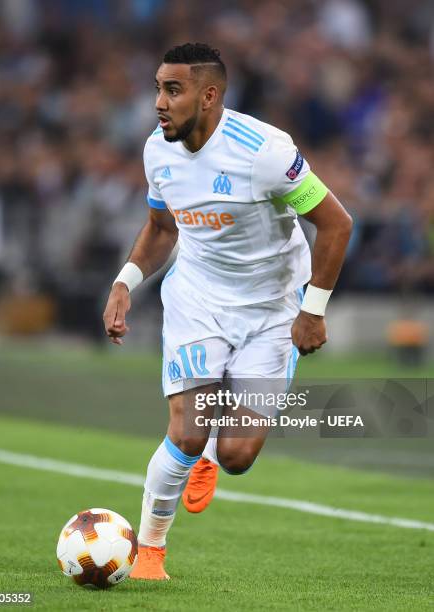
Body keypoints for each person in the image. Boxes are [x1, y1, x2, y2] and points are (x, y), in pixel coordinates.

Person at [103, 42, 352, 580]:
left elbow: (336, 224)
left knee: (236, 454)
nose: (158, 102)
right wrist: (126, 282)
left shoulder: (264, 151)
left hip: (272, 309)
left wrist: (312, 310)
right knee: (187, 431)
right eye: (157, 88)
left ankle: (216, 455)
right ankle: (149, 554)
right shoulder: (157, 151)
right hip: (198, 300)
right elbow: (163, 227)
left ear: (209, 95)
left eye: (173, 89)